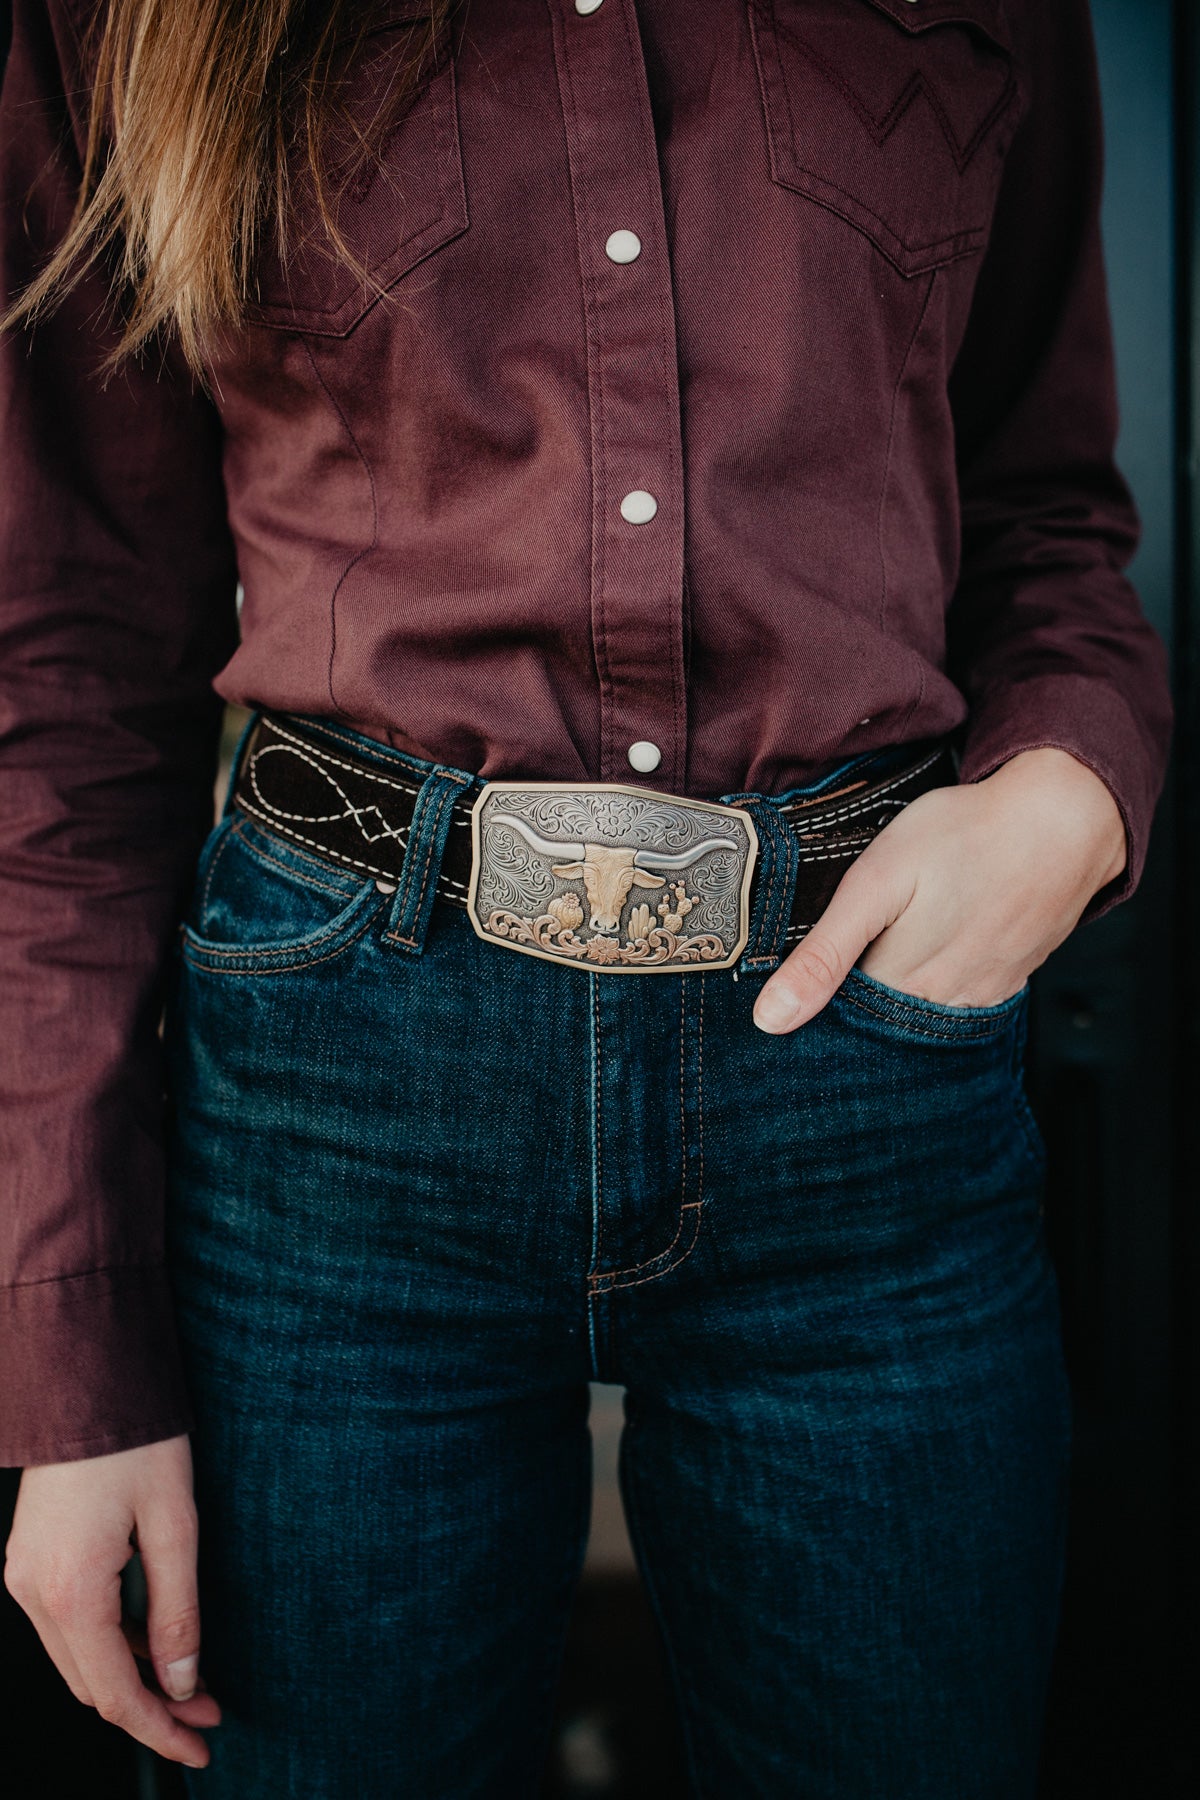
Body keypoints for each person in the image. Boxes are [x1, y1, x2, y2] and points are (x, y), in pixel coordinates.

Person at [0, 1, 1173, 1795]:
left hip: (864, 1077)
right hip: (334, 1114)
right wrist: (70, 1364)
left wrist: (1071, 791)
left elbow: (1045, 513)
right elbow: (68, 662)